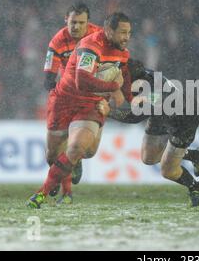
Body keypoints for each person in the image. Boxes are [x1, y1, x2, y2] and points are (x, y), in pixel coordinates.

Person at [27, 12, 132, 208]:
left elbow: (125, 80)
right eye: (123, 33)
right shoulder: (89, 45)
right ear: (109, 31)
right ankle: (64, 184)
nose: (127, 37)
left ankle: (42, 194)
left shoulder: (122, 53)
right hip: (64, 101)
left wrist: (136, 99)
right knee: (52, 155)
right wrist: (112, 87)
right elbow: (81, 80)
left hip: (90, 103)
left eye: (129, 33)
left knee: (82, 150)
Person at [98, 59, 199, 207]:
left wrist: (109, 112)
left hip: (184, 120)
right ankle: (195, 155)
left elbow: (134, 117)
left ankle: (195, 187)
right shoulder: (139, 76)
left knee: (168, 170)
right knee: (148, 158)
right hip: (162, 113)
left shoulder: (148, 89)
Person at [42, 3, 102, 202]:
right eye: (73, 22)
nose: (76, 27)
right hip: (66, 97)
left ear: (88, 23)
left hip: (90, 95)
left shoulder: (99, 37)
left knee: (90, 151)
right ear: (65, 20)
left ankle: (74, 163)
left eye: (81, 23)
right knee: (52, 154)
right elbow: (48, 79)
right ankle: (61, 181)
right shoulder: (58, 41)